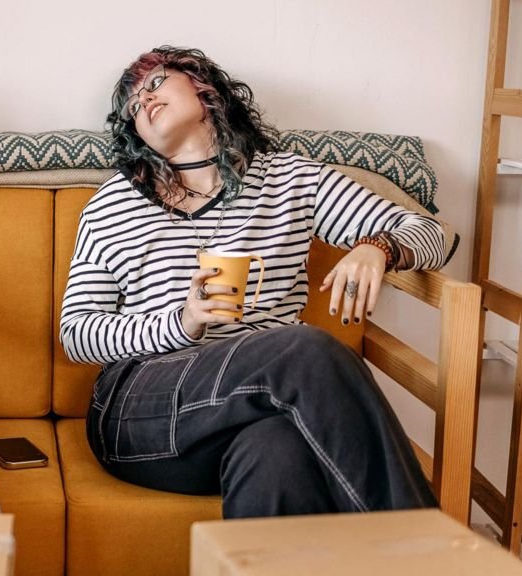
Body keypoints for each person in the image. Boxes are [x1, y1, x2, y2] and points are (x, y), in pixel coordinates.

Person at [60, 46, 444, 517]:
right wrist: (182, 322)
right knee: (306, 349)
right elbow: (76, 334)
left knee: (279, 452)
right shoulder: (115, 202)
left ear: (203, 87)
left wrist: (378, 247)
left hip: (257, 412)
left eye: (156, 82)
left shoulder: (290, 180)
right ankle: (420, 543)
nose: (146, 100)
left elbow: (434, 234)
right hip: (143, 410)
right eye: (133, 107)